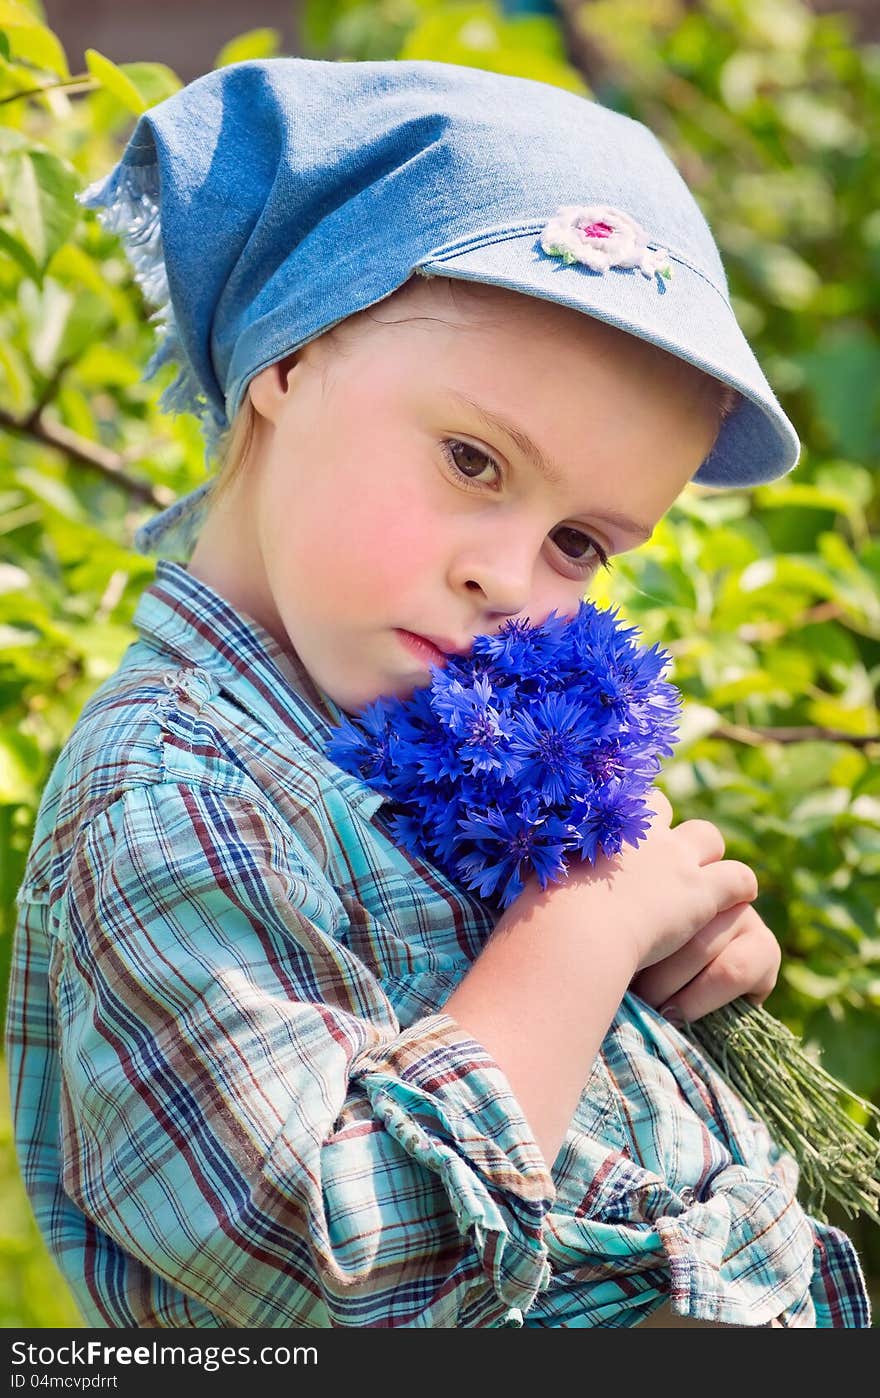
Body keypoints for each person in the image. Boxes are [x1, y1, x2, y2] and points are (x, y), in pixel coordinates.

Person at [5, 56, 870, 1329]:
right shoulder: (170, 790)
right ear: (290, 359)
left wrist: (659, 990)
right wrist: (571, 943)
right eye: (474, 460)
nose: (510, 579)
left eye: (581, 543)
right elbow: (331, 1260)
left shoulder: (425, 739)